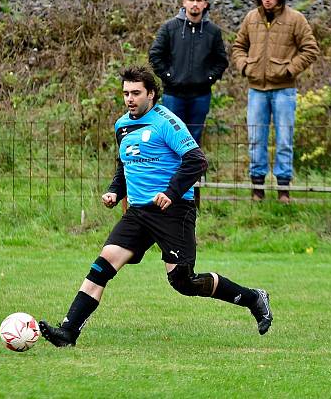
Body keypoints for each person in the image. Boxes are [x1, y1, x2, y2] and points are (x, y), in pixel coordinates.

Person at [39, 66, 272, 347]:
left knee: (183, 282)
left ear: (151, 94)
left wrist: (171, 193)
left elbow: (197, 161)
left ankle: (253, 298)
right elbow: (125, 164)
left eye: (136, 93)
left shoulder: (166, 122)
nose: (129, 98)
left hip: (172, 211)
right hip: (138, 214)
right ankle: (68, 332)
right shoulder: (122, 125)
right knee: (101, 267)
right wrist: (115, 191)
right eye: (125, 93)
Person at [231, 0, 320, 203]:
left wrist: (290, 69)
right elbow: (238, 46)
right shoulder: (251, 18)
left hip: (284, 90)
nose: (267, 0)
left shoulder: (296, 19)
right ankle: (257, 188)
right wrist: (244, 67)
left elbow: (310, 49)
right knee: (256, 138)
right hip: (256, 89)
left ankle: (283, 189)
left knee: (284, 139)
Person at [148, 0, 228, 144]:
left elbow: (221, 60)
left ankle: (192, 169)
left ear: (205, 4)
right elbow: (155, 55)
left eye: (199, 0)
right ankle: (172, 169)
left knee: (193, 139)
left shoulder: (213, 31)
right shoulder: (169, 28)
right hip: (173, 94)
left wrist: (209, 78)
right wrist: (169, 76)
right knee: (171, 136)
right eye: (191, 0)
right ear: (184, 2)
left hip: (201, 95)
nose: (195, 4)